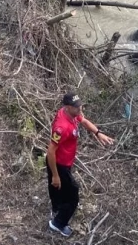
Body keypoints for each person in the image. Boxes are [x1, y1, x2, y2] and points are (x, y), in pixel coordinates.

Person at [46, 92, 114, 237]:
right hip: (59, 164)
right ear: (68, 107)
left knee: (57, 188)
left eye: (80, 105)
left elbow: (84, 121)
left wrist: (98, 133)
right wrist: (56, 175)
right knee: (73, 196)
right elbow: (50, 152)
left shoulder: (72, 114)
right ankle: (58, 224)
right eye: (77, 107)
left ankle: (57, 207)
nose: (80, 108)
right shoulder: (61, 127)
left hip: (64, 161)